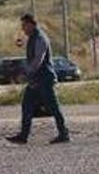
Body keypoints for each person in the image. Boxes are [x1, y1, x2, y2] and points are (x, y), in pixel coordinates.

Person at [6, 13, 70, 144]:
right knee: (27, 106)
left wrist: (27, 72)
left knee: (54, 108)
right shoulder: (32, 38)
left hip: (44, 79)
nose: (23, 28)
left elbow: (38, 60)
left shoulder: (40, 38)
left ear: (31, 24)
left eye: (24, 25)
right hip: (35, 80)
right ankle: (23, 136)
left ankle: (64, 134)